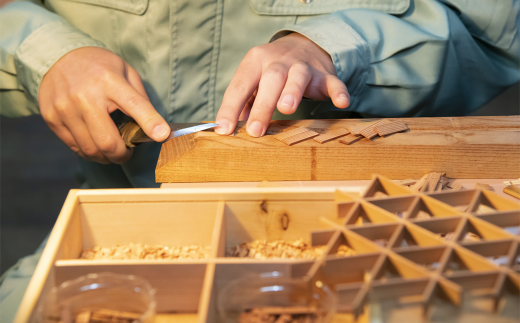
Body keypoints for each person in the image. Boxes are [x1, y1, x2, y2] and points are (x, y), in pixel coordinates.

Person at [0, 0, 518, 320]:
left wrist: (335, 48)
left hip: (365, 214)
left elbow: (489, 28)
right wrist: (44, 52)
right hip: (119, 207)